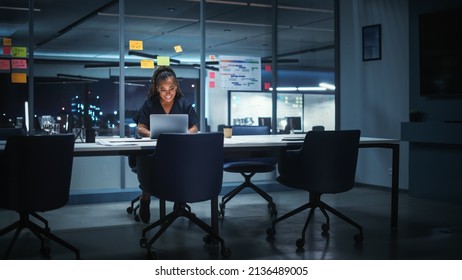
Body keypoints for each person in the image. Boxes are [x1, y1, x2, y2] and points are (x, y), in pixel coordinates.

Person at [133, 66, 199, 223]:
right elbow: (140, 128)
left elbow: (195, 127)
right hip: (155, 149)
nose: (168, 93)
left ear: (176, 87)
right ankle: (145, 198)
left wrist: (184, 134)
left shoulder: (183, 103)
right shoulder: (150, 103)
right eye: (163, 89)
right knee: (150, 165)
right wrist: (154, 134)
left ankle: (179, 200)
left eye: (171, 88)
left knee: (183, 165)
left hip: (178, 149)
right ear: (157, 89)